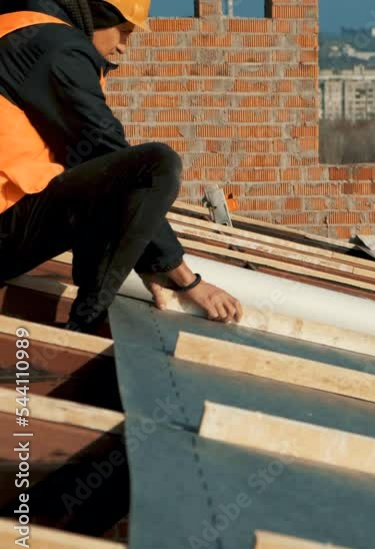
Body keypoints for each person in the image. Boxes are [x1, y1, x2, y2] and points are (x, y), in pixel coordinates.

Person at [0, 0, 243, 333]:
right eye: (124, 32)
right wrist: (186, 279)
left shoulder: (19, 27)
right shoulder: (57, 50)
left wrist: (147, 260)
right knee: (156, 165)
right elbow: (107, 152)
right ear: (99, 15)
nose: (123, 47)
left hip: (10, 216)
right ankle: (87, 320)